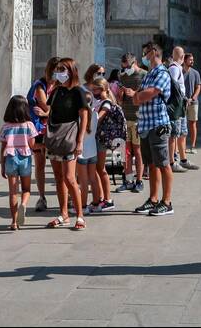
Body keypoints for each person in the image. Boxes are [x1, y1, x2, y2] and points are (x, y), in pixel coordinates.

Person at [45, 57, 90, 230]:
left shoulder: (78, 91)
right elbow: (49, 111)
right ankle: (63, 214)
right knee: (58, 177)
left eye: (62, 69)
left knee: (70, 178)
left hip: (70, 137)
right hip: (55, 137)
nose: (59, 72)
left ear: (71, 71)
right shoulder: (56, 91)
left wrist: (80, 141)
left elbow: (84, 116)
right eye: (57, 69)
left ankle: (80, 215)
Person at [133, 41, 175, 216]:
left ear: (153, 52)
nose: (143, 56)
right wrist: (138, 96)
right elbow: (138, 97)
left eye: (145, 52)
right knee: (151, 164)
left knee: (164, 163)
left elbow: (147, 94)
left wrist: (138, 96)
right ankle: (153, 199)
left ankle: (167, 202)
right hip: (145, 124)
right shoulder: (149, 74)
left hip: (158, 124)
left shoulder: (162, 73)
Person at [81, 66, 116, 214]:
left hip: (100, 140)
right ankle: (101, 198)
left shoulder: (106, 102)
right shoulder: (100, 101)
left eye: (97, 90)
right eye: (93, 90)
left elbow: (97, 118)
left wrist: (86, 115)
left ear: (105, 89)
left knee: (101, 170)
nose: (95, 92)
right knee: (96, 171)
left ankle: (107, 199)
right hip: (97, 139)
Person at [0, 96, 36, 231]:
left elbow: (3, 147)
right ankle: (24, 204)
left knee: (13, 192)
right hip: (25, 159)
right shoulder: (29, 126)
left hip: (10, 159)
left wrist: (2, 165)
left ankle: (14, 222)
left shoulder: (6, 127)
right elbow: (32, 145)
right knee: (26, 189)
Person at [28, 58, 58, 211]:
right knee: (40, 164)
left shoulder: (60, 86)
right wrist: (48, 111)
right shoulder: (40, 85)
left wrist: (47, 112)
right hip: (40, 129)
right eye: (53, 72)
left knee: (57, 165)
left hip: (55, 129)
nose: (55, 75)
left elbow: (53, 109)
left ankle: (67, 198)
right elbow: (45, 105)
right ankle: (42, 197)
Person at [115, 53, 146, 192]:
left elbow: (148, 96)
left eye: (128, 66)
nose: (126, 69)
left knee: (138, 151)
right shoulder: (122, 76)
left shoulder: (144, 75)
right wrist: (120, 96)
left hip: (138, 118)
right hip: (125, 118)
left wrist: (135, 94)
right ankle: (128, 180)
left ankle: (139, 180)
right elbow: (119, 101)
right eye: (123, 67)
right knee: (126, 151)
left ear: (135, 62)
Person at [167, 46, 189, 172]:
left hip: (179, 105)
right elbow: (173, 87)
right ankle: (172, 161)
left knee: (179, 133)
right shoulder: (174, 69)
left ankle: (178, 159)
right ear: (182, 57)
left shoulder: (177, 68)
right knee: (173, 134)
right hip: (175, 106)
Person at [183, 52, 201, 162]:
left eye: (192, 59)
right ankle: (183, 146)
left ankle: (193, 146)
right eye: (190, 59)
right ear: (185, 60)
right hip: (182, 102)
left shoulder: (195, 73)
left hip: (193, 102)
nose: (192, 61)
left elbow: (198, 86)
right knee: (182, 124)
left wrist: (193, 97)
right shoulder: (179, 72)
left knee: (192, 123)